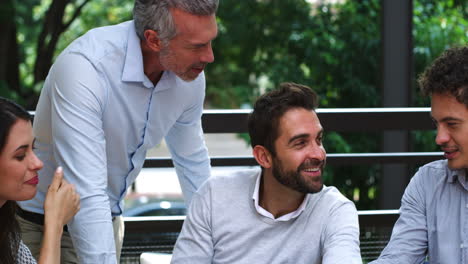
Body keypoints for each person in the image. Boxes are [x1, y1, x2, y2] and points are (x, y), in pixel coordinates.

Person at [17, 0, 219, 263]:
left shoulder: (189, 75)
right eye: (196, 46)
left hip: (108, 222)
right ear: (154, 40)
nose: (209, 57)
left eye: (210, 41)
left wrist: (219, 246)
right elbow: (87, 190)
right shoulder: (85, 68)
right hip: (38, 227)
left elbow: (192, 162)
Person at [171, 83, 362, 264]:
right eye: (300, 143)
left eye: (318, 139)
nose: (319, 154)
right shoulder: (214, 196)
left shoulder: (335, 211)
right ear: (264, 157)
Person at [370, 46, 468, 264]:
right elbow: (397, 258)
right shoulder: (428, 182)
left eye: (451, 124)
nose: (439, 138)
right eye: (437, 124)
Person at [0, 97, 80, 264]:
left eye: (33, 148)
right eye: (21, 156)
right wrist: (54, 223)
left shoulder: (7, 230)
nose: (38, 163)